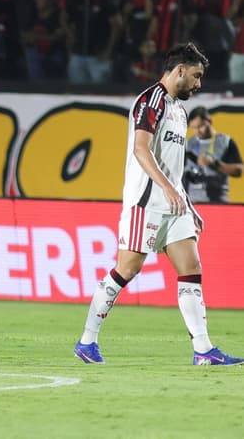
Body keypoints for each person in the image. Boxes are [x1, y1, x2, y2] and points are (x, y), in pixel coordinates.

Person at [74, 43, 244, 366]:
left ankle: (204, 350)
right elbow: (141, 149)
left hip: (173, 204)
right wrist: (167, 189)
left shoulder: (180, 111)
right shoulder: (150, 101)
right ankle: (87, 340)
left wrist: (188, 204)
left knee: (191, 269)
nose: (198, 84)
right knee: (127, 269)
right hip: (146, 202)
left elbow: (172, 166)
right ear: (179, 70)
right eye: (196, 76)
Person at [184, 107, 243, 203]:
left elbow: (239, 171)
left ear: (210, 121)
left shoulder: (226, 142)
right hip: (192, 201)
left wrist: (215, 164)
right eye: (193, 128)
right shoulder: (188, 144)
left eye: (200, 126)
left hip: (218, 201)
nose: (197, 131)